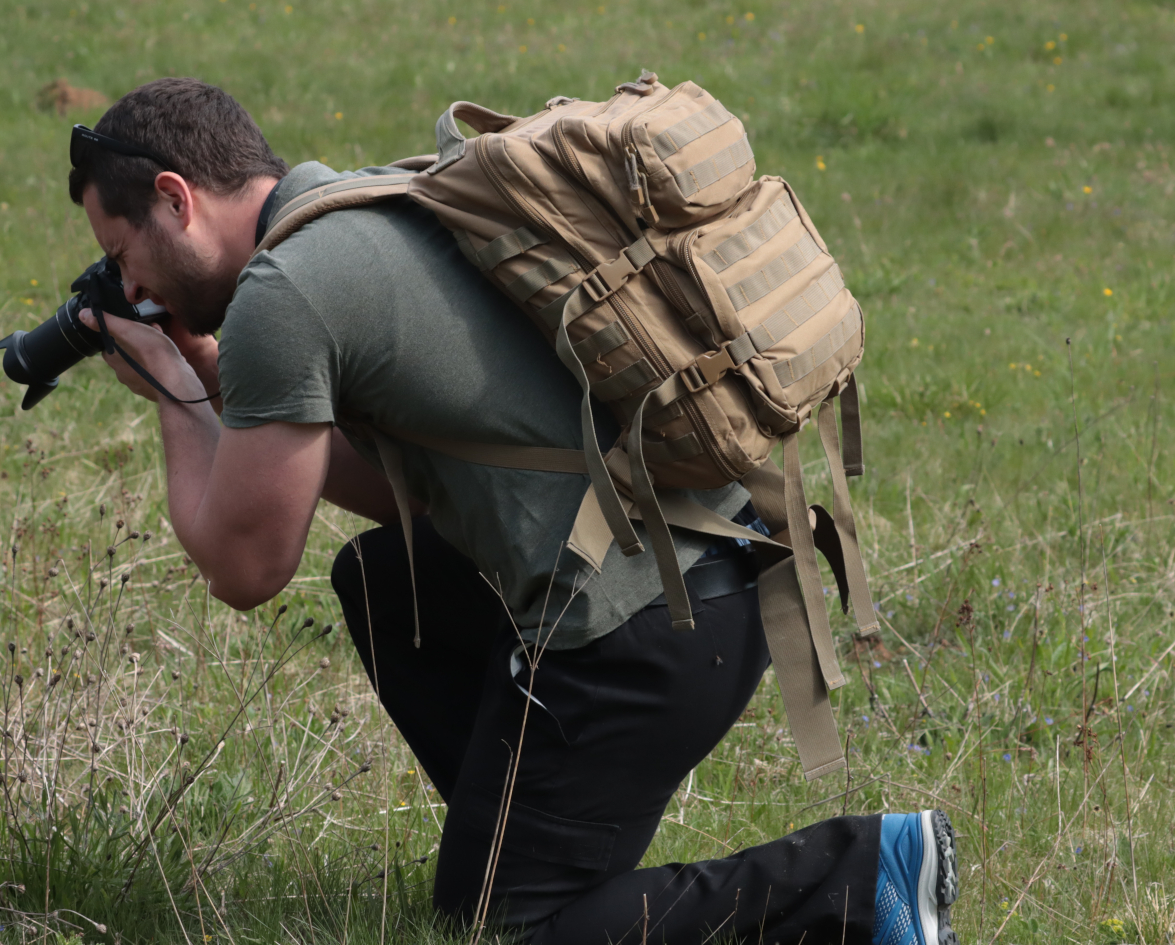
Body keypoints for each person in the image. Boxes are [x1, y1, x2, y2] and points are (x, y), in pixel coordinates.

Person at [65, 76, 960, 945]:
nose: (133, 291)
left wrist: (174, 391)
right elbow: (415, 494)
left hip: (649, 630)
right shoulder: (372, 208)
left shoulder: (285, 292)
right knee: (382, 578)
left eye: (122, 256)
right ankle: (528, 829)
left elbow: (244, 569)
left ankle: (863, 869)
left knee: (506, 925)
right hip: (727, 572)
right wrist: (225, 384)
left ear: (176, 199)